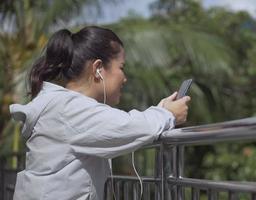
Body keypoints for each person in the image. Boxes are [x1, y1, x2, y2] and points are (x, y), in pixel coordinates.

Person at [9, 26, 191, 200]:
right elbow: (129, 127)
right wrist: (168, 115)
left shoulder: (64, 106)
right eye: (121, 67)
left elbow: (124, 124)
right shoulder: (70, 109)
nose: (125, 78)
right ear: (97, 69)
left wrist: (162, 111)